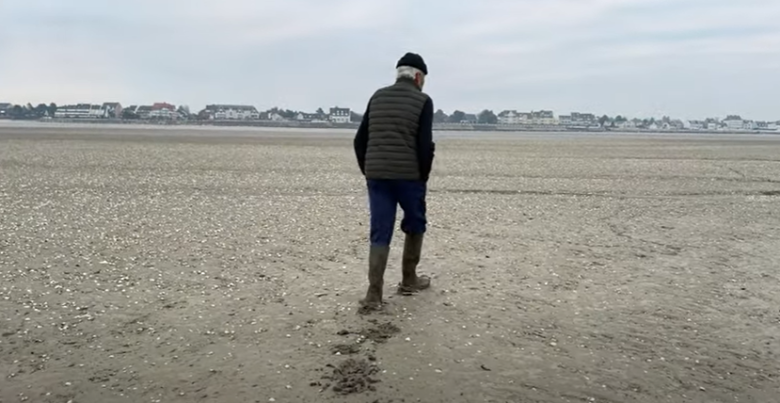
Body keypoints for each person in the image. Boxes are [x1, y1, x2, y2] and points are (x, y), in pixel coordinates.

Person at [353, 52, 436, 311]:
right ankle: (409, 279)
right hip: (409, 177)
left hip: (377, 175)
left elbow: (359, 141)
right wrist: (423, 176)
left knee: (380, 230)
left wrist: (368, 170)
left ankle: (374, 294)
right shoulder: (423, 101)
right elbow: (424, 145)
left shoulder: (377, 96)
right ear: (418, 77)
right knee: (415, 223)